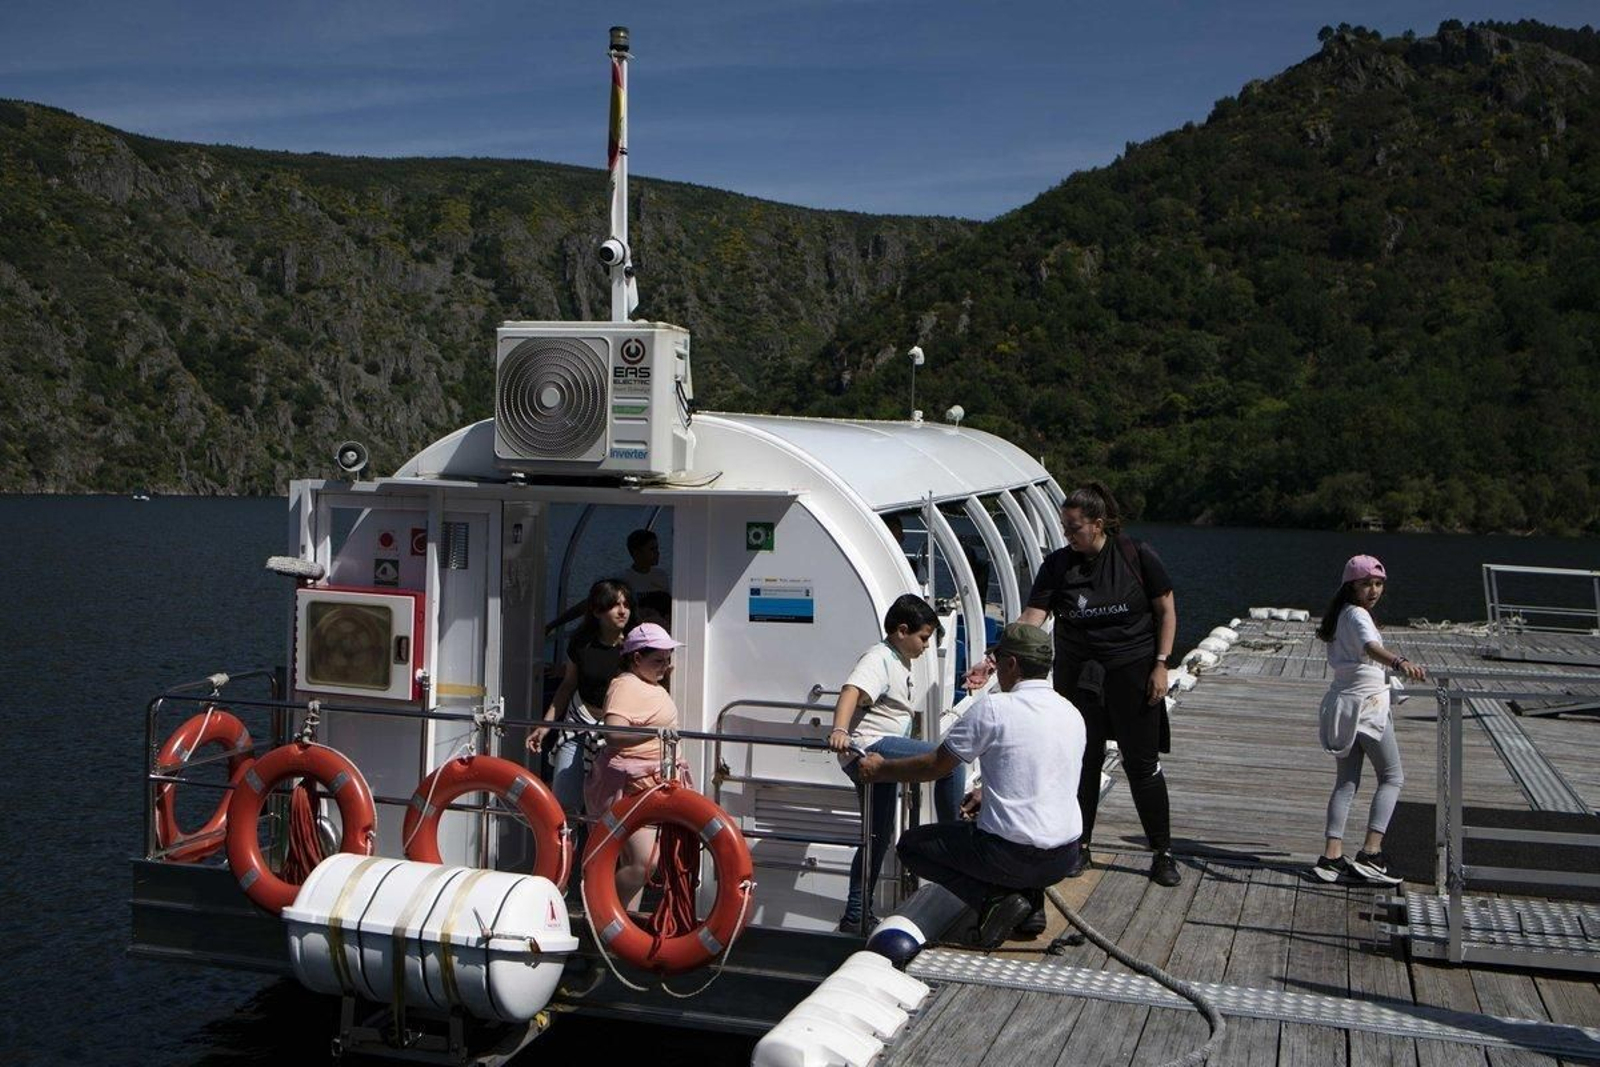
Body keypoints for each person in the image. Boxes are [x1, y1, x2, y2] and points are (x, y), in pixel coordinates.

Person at [857, 622, 1085, 948]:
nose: (994, 671)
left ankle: (993, 902)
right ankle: (1031, 910)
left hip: (1011, 856)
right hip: (1064, 857)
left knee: (911, 845)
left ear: (1011, 664)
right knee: (1023, 831)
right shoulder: (1071, 712)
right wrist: (985, 792)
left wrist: (883, 768)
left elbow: (936, 765)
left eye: (997, 662)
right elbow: (1044, 773)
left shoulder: (994, 708)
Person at [1018, 481, 1181, 887]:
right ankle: (1081, 846)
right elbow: (1032, 618)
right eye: (1063, 527)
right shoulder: (1057, 566)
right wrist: (999, 655)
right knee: (1082, 761)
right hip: (1080, 677)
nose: (1067, 535)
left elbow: (1166, 610)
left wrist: (1162, 664)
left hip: (1133, 673)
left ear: (1098, 523)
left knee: (1141, 764)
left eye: (1074, 528)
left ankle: (1162, 852)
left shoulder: (1135, 555)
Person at [828, 593, 964, 934]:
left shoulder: (901, 661)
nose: (925, 646)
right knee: (951, 761)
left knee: (877, 835)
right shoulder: (879, 658)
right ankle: (956, 839)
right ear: (902, 631)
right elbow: (850, 691)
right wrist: (840, 730)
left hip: (880, 753)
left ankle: (855, 914)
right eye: (923, 638)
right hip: (870, 745)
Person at [1312, 555, 1425, 885]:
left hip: (1343, 706)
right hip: (1369, 706)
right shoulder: (1359, 615)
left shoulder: (1341, 615)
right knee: (1392, 777)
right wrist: (1399, 662)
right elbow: (1370, 647)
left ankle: (1331, 857)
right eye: (1366, 584)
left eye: (1378, 584)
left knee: (1346, 784)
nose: (1374, 590)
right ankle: (1371, 853)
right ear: (1352, 586)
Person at [585, 622, 686, 909]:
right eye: (658, 660)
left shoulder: (647, 683)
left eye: (668, 660)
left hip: (652, 783)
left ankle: (620, 927)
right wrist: (655, 733)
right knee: (644, 863)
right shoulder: (625, 686)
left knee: (637, 863)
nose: (665, 666)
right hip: (632, 786)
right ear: (636, 658)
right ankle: (602, 910)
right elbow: (614, 734)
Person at [526, 579, 632, 819]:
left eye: (626, 604)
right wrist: (544, 726)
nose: (622, 611)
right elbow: (568, 685)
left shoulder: (634, 647)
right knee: (564, 803)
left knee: (607, 811)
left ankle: (598, 856)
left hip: (614, 732)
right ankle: (565, 854)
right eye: (614, 605)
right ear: (597, 611)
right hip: (578, 722)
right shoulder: (581, 643)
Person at [547, 527, 670, 633]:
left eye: (657, 548)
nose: (658, 553)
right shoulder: (622, 579)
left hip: (659, 634)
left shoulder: (661, 576)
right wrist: (554, 624)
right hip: (634, 634)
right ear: (636, 553)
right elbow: (590, 604)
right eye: (652, 549)